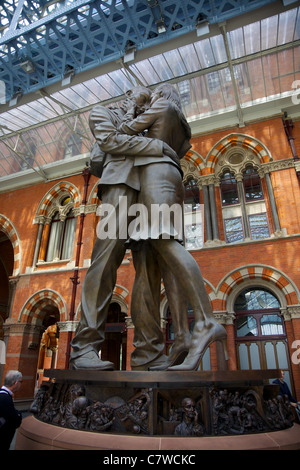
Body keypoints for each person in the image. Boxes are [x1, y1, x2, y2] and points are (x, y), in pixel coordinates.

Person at [118, 84, 228, 371]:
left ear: (161, 95)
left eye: (153, 93)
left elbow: (125, 131)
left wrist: (133, 106)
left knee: (167, 245)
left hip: (156, 176)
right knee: (167, 254)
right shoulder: (179, 120)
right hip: (173, 176)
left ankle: (205, 321)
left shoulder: (160, 107)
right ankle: (181, 335)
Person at [70, 100, 179, 370]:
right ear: (129, 95)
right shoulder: (102, 112)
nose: (147, 102)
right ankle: (84, 348)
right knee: (106, 257)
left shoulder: (150, 118)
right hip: (118, 183)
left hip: (151, 188)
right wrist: (157, 148)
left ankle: (149, 352)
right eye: (142, 98)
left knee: (149, 268)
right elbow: (109, 141)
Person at [0, 370, 23, 450]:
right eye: (21, 381)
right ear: (16, 383)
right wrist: (18, 414)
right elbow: (15, 421)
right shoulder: (5, 399)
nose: (21, 384)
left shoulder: (2, 395)